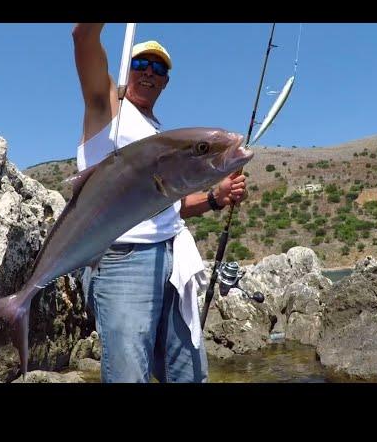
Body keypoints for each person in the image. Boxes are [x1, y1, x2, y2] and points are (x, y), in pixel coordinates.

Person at [72, 23, 247, 383]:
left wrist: (215, 198)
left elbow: (167, 207)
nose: (150, 72)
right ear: (126, 69)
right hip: (122, 259)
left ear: (166, 81)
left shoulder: (157, 134)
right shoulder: (106, 108)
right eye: (141, 65)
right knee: (128, 375)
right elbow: (83, 37)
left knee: (188, 374)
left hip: (173, 257)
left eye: (159, 68)